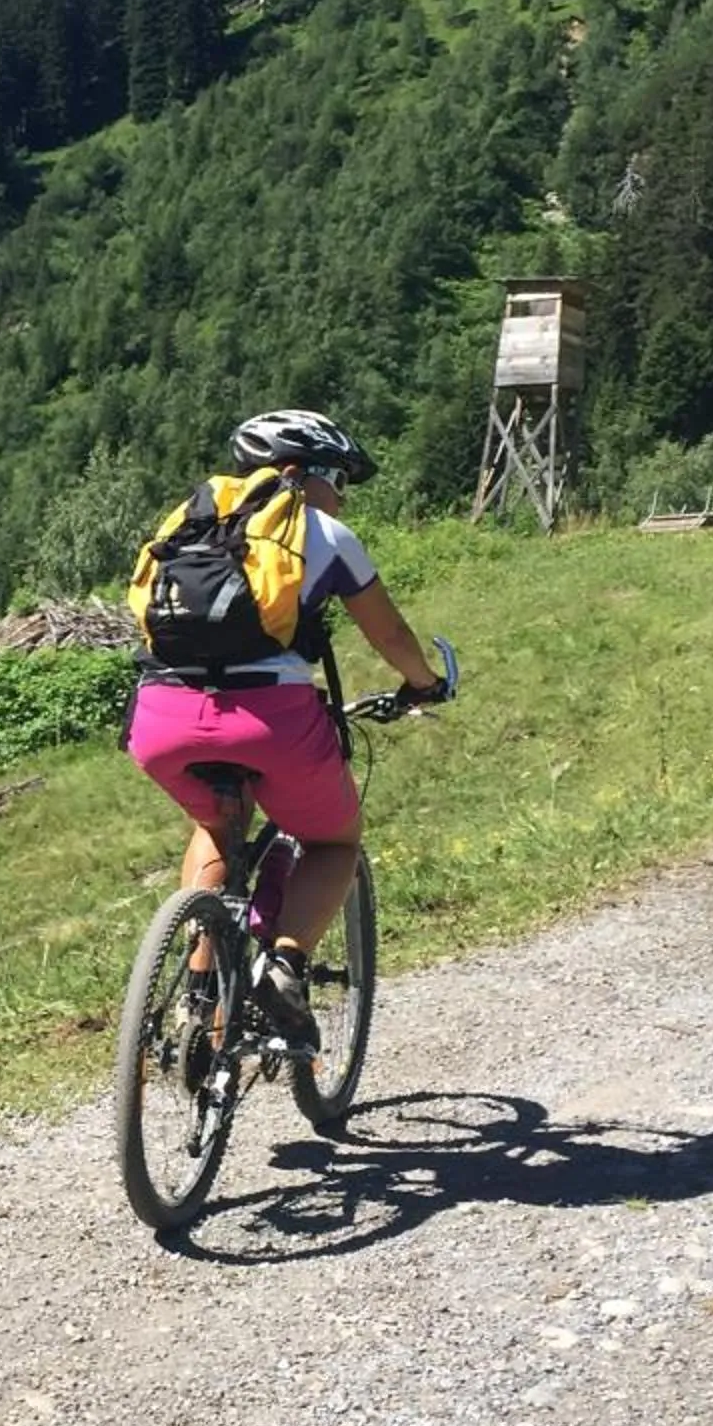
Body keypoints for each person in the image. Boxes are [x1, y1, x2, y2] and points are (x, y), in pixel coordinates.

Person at [124, 409, 451, 1046]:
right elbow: (387, 633)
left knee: (217, 825)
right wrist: (424, 682)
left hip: (160, 717)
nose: (342, 494)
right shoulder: (323, 531)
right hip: (268, 721)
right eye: (338, 478)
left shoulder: (185, 522)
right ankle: (284, 966)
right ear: (301, 474)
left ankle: (198, 992)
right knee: (334, 843)